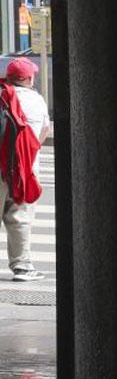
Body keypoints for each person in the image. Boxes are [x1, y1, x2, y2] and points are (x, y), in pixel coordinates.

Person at [2, 58, 49, 282]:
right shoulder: (36, 100)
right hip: (23, 169)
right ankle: (21, 266)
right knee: (19, 216)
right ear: (29, 78)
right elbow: (44, 131)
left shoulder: (2, 95)